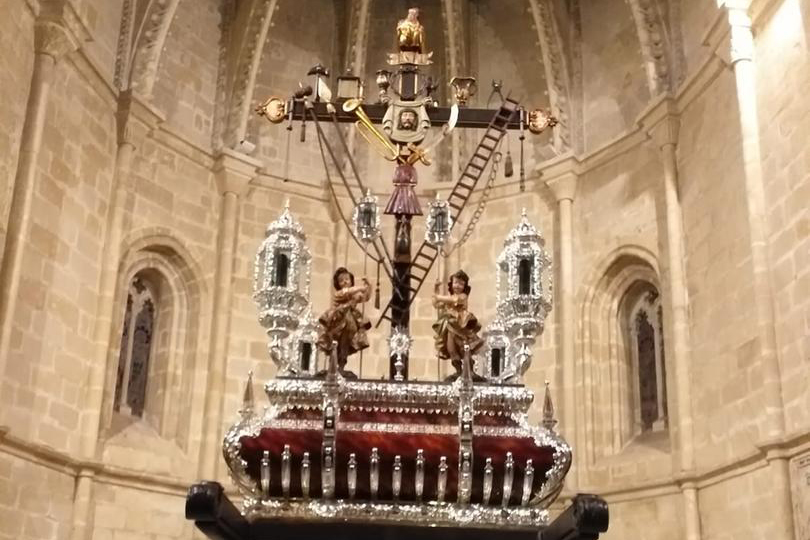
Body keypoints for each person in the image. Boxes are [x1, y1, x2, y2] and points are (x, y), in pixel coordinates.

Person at [317, 267, 372, 379]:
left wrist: (368, 285)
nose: (345, 282)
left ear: (351, 280)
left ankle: (341, 366)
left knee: (344, 346)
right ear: (338, 284)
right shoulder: (339, 293)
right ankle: (332, 366)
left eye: (347, 279)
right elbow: (348, 291)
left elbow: (365, 297)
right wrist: (361, 288)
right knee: (334, 344)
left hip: (349, 322)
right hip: (337, 320)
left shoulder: (354, 295)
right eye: (341, 280)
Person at [432, 270, 484, 380]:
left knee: (464, 348)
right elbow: (436, 304)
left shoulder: (463, 296)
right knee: (451, 349)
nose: (458, 286)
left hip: (461, 325)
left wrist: (438, 297)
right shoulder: (449, 298)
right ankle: (458, 370)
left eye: (461, 284)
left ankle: (469, 370)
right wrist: (436, 288)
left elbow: (452, 300)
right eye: (456, 282)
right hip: (450, 326)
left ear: (464, 286)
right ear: (452, 283)